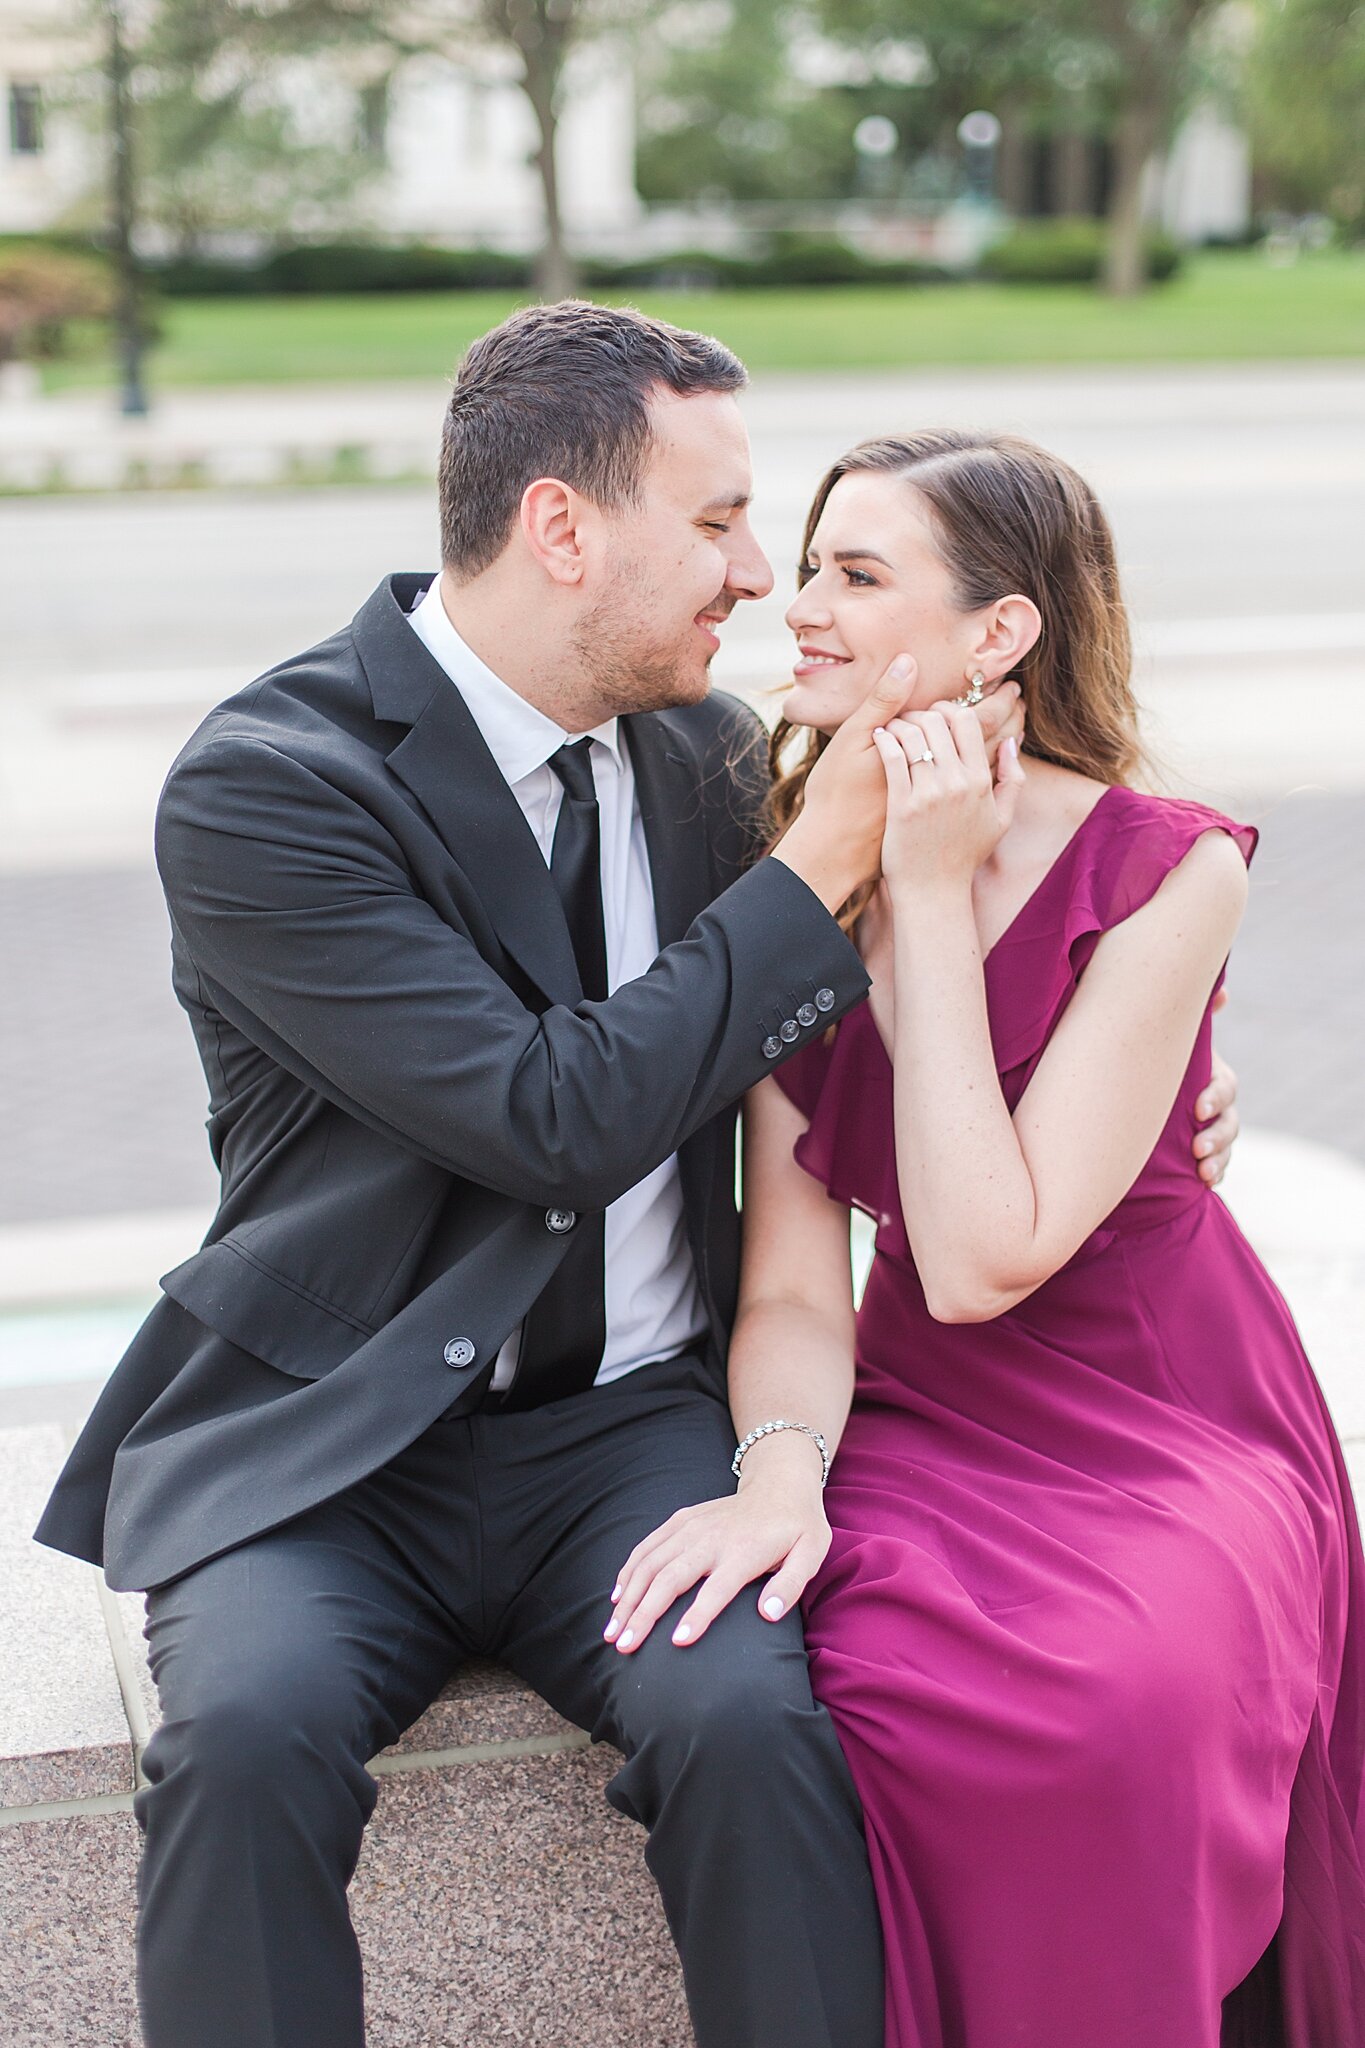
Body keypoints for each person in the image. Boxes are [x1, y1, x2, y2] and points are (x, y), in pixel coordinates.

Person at [35, 312, 1234, 2048]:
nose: (755, 576)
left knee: (757, 1730)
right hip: (331, 1443)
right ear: (563, 529)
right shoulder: (270, 789)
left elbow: (1051, 886)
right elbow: (550, 1116)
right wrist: (823, 847)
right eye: (721, 522)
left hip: (629, 1429)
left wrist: (1165, 1088)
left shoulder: (700, 764)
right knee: (239, 1747)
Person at [606, 430, 1364, 2048]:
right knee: (871, 1702)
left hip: (1167, 1418)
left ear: (998, 635)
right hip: (924, 1420)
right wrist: (778, 1476)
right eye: (807, 564)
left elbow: (972, 1258)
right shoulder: (787, 878)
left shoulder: (1165, 868)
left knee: (1112, 1707)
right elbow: (800, 1279)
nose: (794, 605)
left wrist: (930, 899)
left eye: (854, 576)